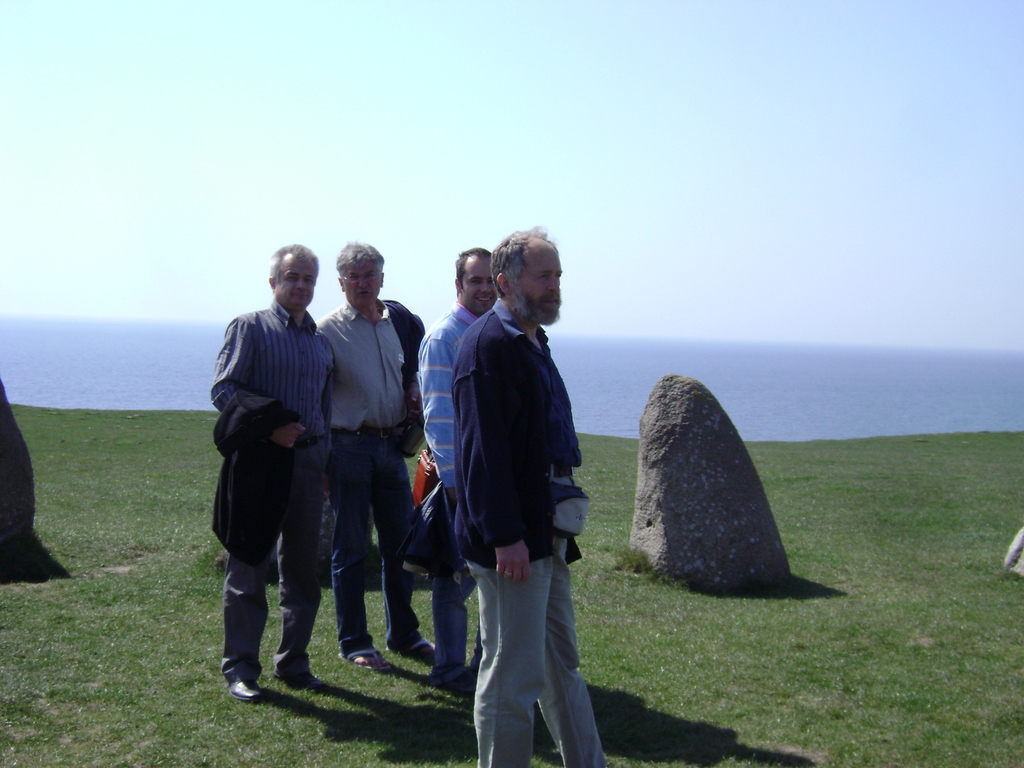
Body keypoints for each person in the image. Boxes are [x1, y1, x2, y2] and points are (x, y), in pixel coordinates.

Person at [452, 228, 605, 767]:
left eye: (557, 275)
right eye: (544, 276)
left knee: (561, 665)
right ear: (505, 282)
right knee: (511, 676)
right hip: (512, 541)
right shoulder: (489, 347)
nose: (554, 286)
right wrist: (505, 537)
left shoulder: (530, 339)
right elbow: (482, 453)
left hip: (545, 528)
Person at [211, 244, 333, 703]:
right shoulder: (250, 327)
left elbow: (323, 407)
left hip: (310, 463)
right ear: (273, 282)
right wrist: (270, 428)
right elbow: (224, 389)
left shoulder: (319, 342)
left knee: (301, 570)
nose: (300, 285)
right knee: (249, 563)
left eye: (308, 278)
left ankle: (294, 662)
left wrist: (326, 462)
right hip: (260, 463)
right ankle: (241, 668)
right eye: (291, 276)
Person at [319, 242, 433, 671]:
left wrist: (412, 386)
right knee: (350, 548)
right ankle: (355, 643)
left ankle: (404, 635)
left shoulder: (394, 323)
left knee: (401, 546)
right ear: (341, 282)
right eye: (354, 276)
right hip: (348, 447)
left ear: (382, 279)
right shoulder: (327, 330)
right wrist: (321, 458)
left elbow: (408, 371)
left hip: (391, 447)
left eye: (370, 275)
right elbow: (317, 395)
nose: (362, 283)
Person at [417, 247, 496, 693]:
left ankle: (485, 666)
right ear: (459, 285)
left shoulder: (494, 330)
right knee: (456, 577)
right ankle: (448, 669)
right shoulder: (445, 337)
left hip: (491, 476)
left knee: (492, 575)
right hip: (461, 480)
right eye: (475, 281)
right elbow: (438, 414)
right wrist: (452, 481)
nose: (484, 289)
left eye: (490, 280)